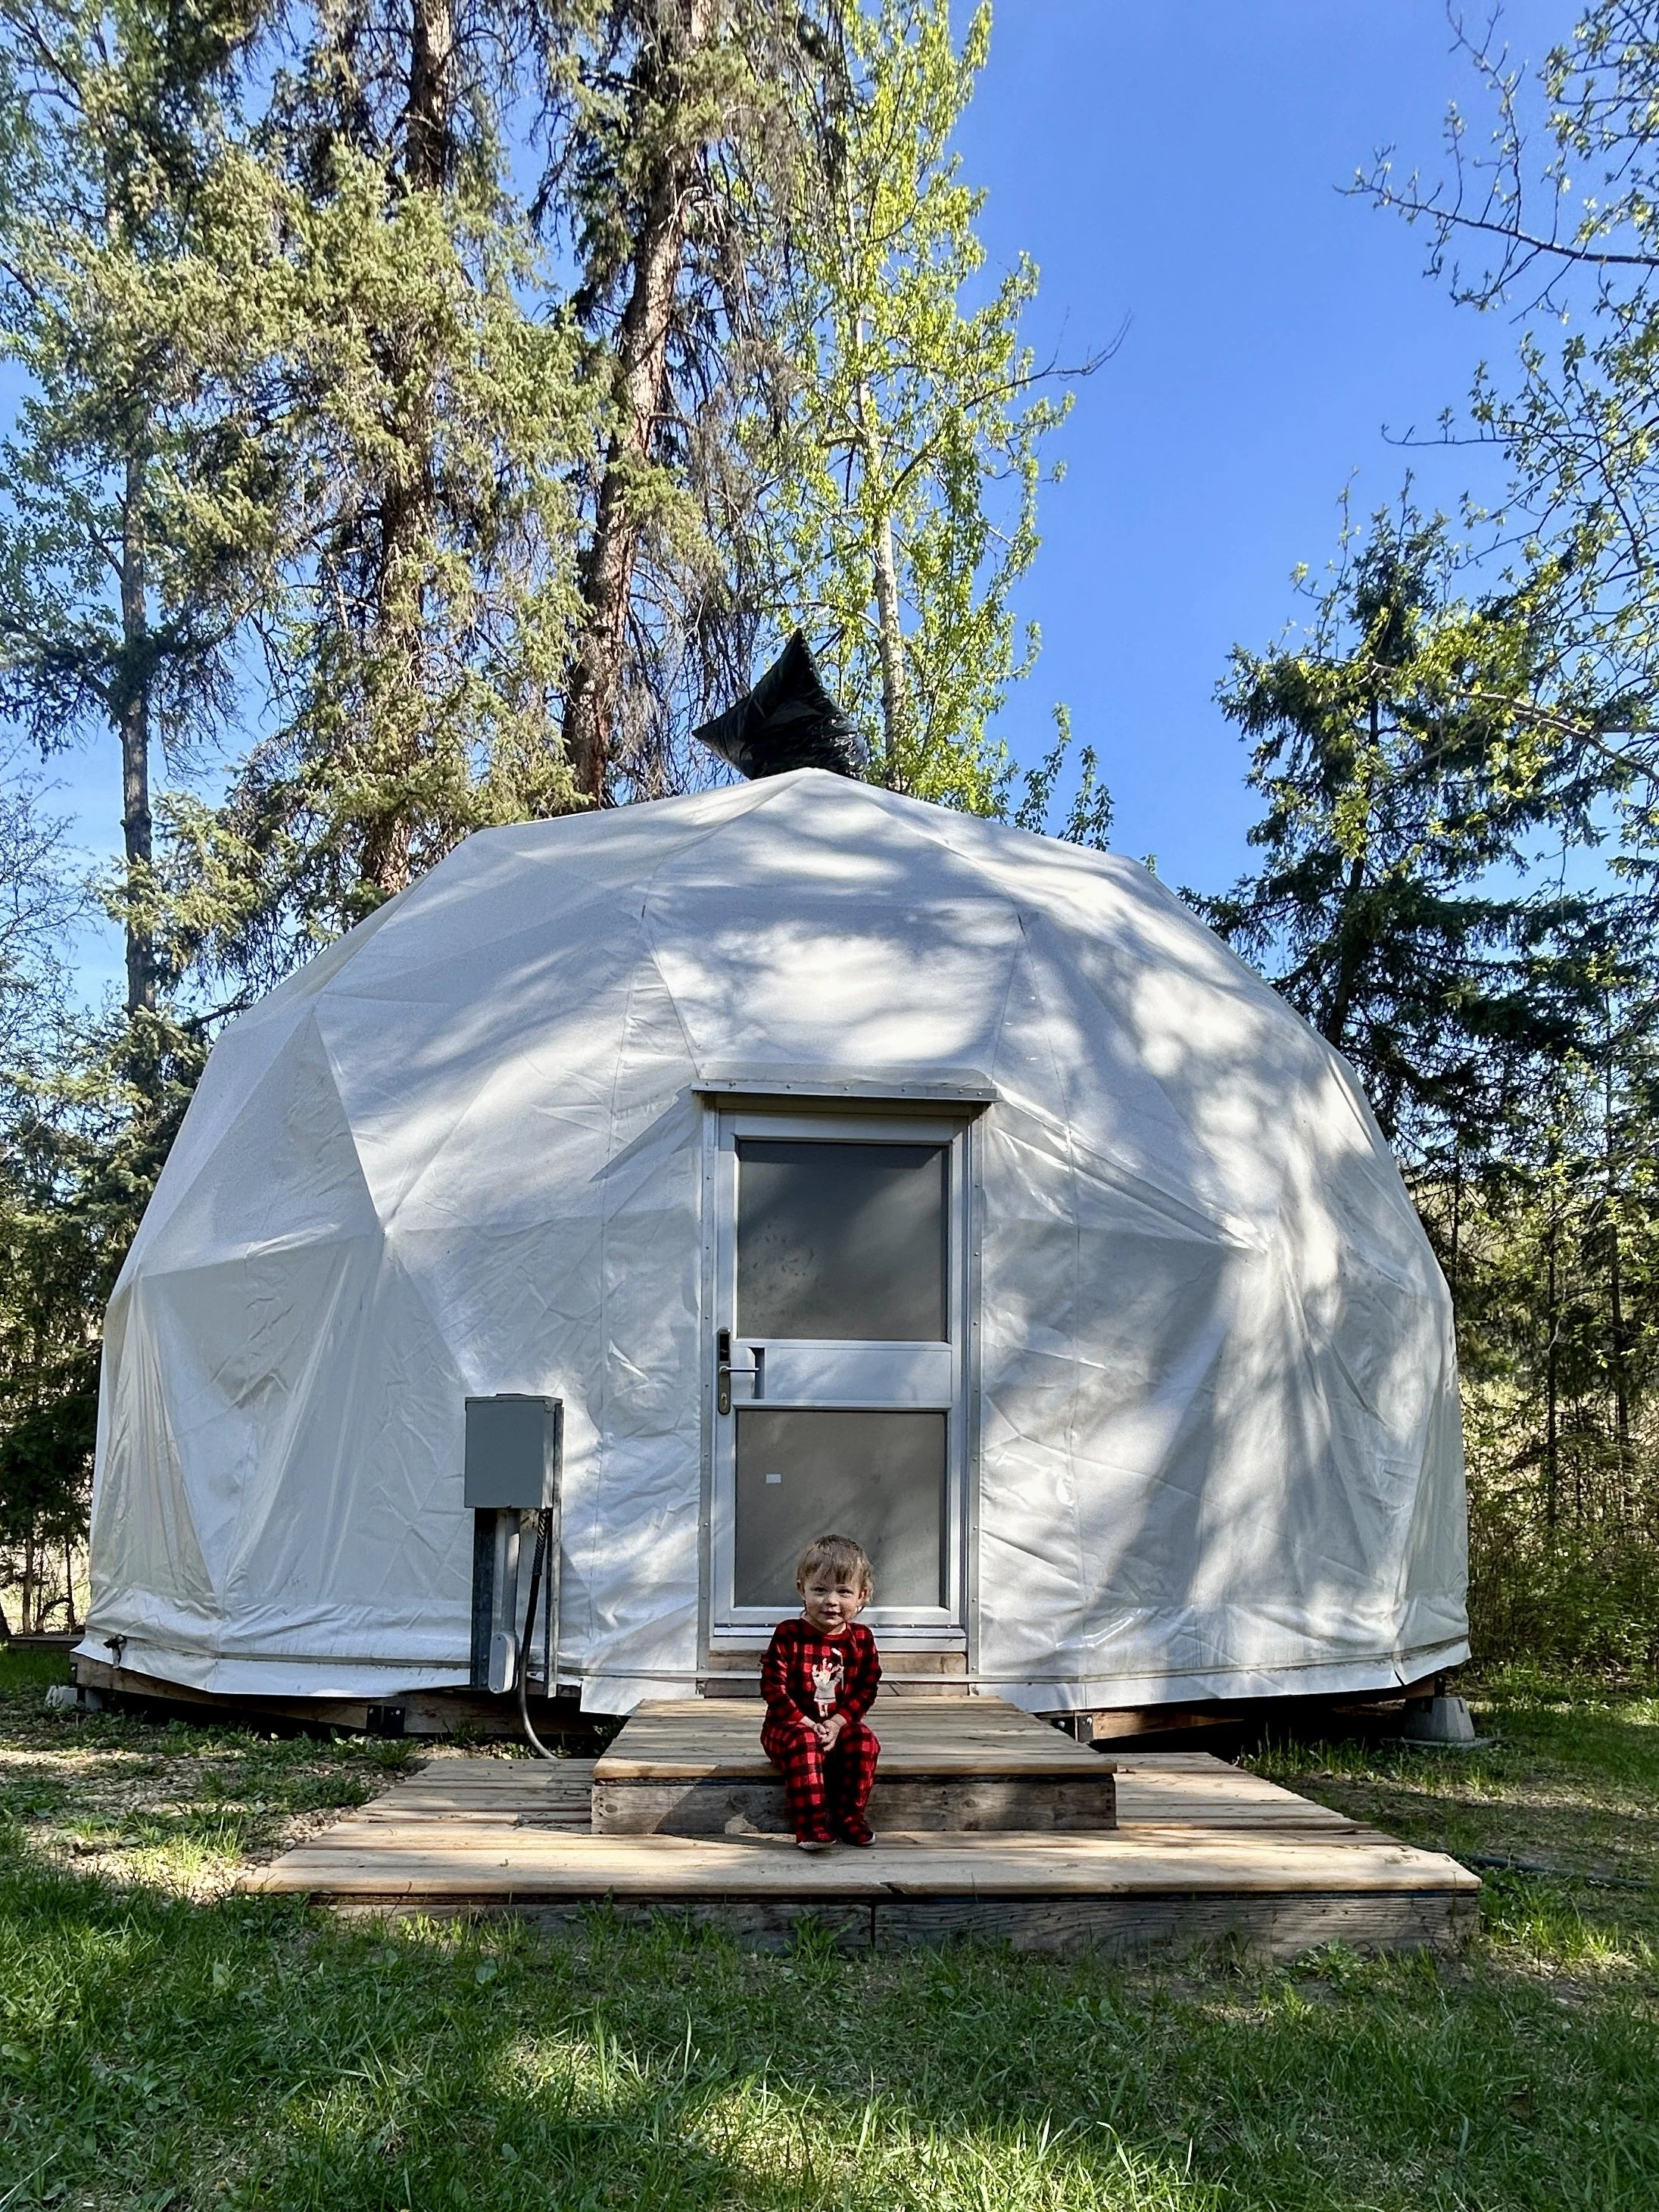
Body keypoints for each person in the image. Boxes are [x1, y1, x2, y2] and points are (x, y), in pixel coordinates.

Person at [760, 1533, 881, 1851]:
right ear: (802, 1589)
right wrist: (805, 1722)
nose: (831, 1601)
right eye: (820, 1590)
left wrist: (840, 1723)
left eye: (844, 1591)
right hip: (788, 1729)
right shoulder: (789, 1634)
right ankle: (811, 1824)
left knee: (865, 1741)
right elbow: (773, 1686)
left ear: (862, 1595)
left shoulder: (862, 1640)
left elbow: (867, 1688)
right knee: (805, 1742)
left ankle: (849, 1816)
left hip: (838, 1727)